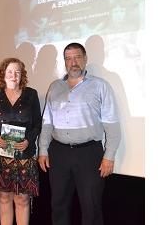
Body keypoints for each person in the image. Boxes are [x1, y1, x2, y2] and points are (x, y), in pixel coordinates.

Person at [38, 42, 121, 225]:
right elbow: (47, 122)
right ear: (65, 62)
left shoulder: (100, 86)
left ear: (85, 59)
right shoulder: (55, 87)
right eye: (68, 58)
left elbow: (113, 126)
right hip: (59, 153)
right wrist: (43, 150)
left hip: (89, 154)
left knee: (91, 207)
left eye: (77, 57)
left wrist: (110, 156)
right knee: (58, 205)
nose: (73, 62)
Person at [0, 58, 42, 225]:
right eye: (10, 71)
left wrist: (28, 140)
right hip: (0, 154)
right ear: (3, 74)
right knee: (3, 197)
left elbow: (38, 123)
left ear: (22, 74)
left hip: (24, 154)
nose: (13, 75)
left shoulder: (31, 94)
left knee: (22, 199)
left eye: (17, 71)